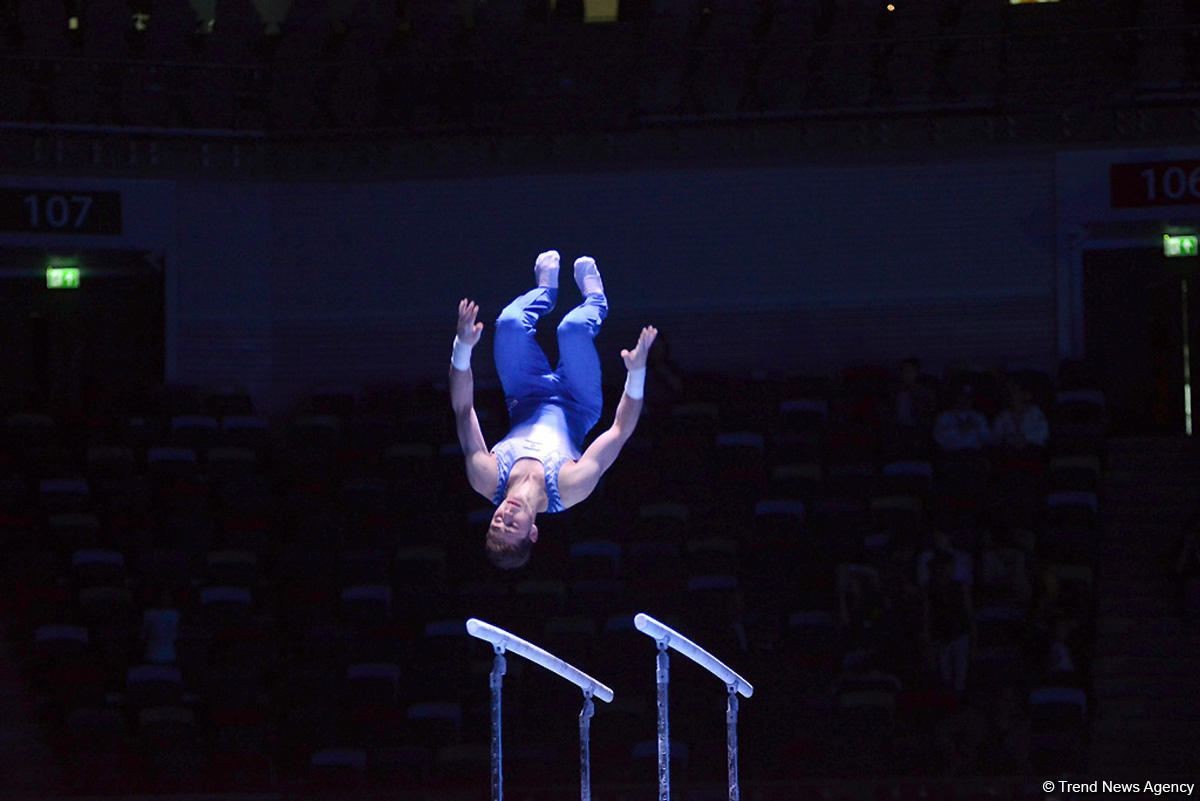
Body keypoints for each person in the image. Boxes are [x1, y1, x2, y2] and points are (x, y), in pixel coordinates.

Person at [450, 250, 657, 569]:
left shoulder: (486, 477)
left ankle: (545, 291)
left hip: (525, 394)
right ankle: (596, 301)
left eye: (496, 522)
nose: (505, 515)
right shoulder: (570, 487)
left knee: (508, 322)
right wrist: (637, 372)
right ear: (532, 532)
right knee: (572, 328)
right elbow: (619, 431)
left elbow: (463, 409)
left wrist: (462, 347)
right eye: (512, 526)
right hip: (577, 400)